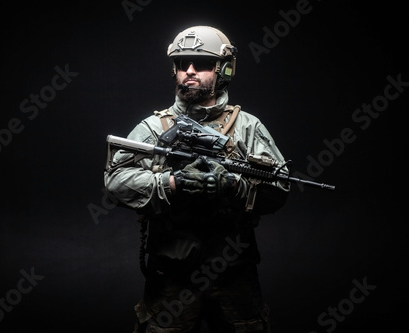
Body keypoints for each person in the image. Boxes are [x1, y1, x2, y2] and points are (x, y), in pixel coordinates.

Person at [104, 25, 290, 333]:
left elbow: (280, 187)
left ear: (223, 70)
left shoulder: (247, 127)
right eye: (182, 64)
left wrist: (232, 185)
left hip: (233, 274)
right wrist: (173, 184)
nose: (189, 71)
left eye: (201, 64)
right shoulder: (155, 128)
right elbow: (115, 183)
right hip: (172, 277)